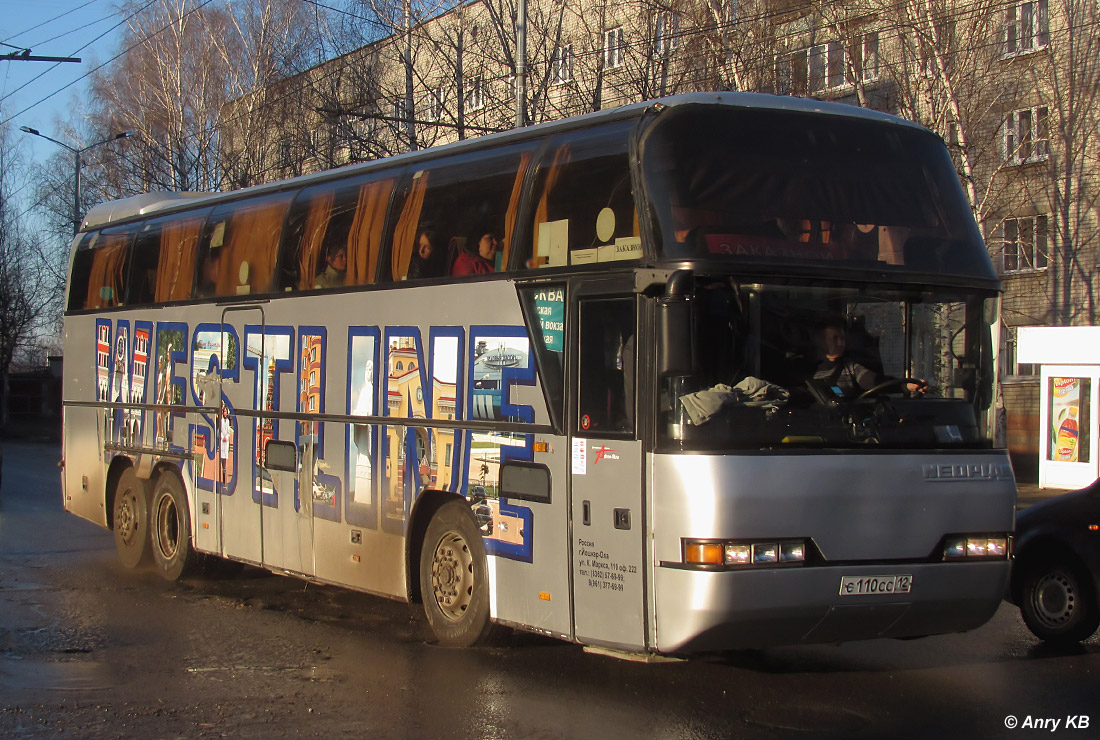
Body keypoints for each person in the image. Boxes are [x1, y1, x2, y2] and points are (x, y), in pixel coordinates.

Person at [811, 321, 925, 398]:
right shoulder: (808, 368)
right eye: (835, 338)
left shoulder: (850, 367)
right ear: (819, 340)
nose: (840, 343)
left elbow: (873, 382)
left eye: (842, 338)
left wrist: (905, 386)